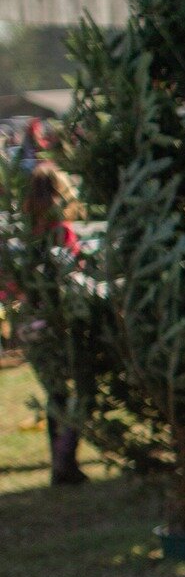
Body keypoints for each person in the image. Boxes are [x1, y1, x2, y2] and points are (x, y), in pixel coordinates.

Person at [18, 160, 90, 484]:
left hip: (32, 320)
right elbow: (74, 270)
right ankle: (66, 460)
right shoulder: (61, 231)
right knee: (82, 388)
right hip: (62, 319)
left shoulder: (25, 232)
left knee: (55, 392)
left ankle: (58, 464)